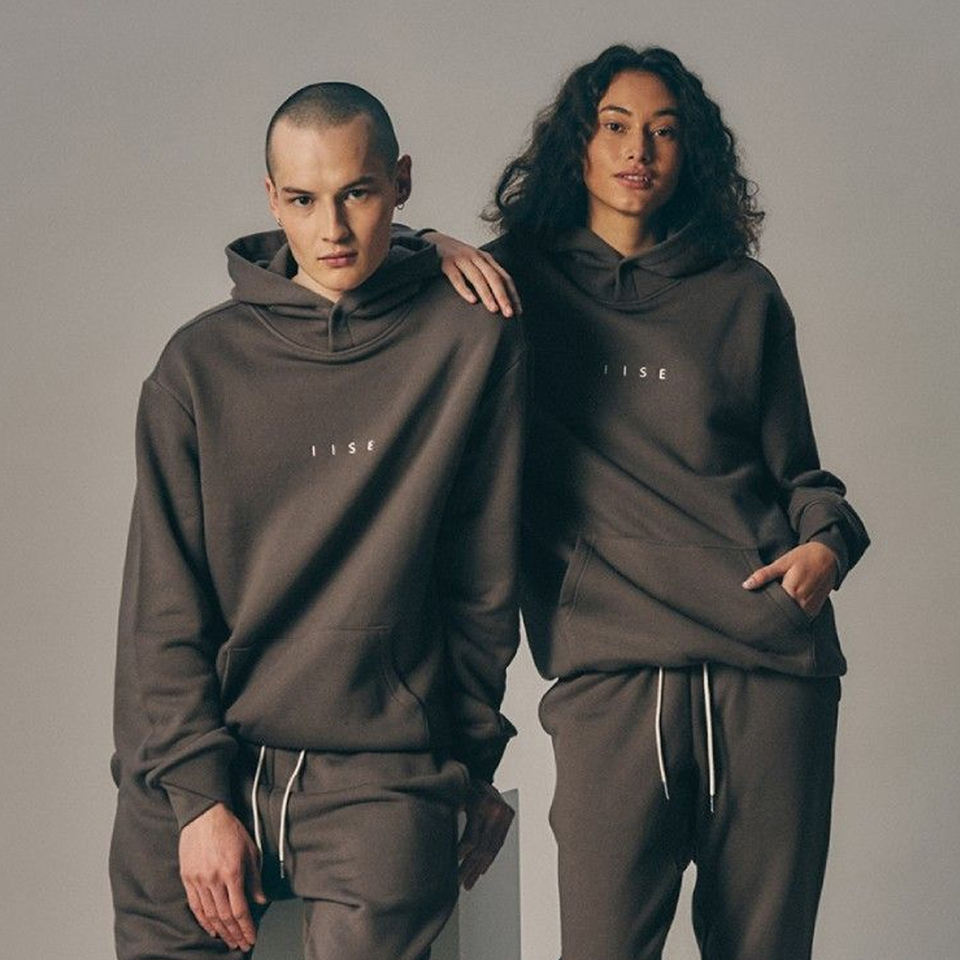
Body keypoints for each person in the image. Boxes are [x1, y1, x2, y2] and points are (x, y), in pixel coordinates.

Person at [423, 44, 870, 960]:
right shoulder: (509, 288)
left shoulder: (742, 294)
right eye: (617, 126)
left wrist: (828, 543)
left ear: (689, 153)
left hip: (768, 673)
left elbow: (801, 476)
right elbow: (344, 259)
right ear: (579, 145)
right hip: (613, 680)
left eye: (665, 132)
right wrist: (422, 244)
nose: (640, 149)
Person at [109, 81, 523, 960]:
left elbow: (484, 579)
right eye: (302, 200)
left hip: (380, 770)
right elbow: (162, 608)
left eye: (358, 193)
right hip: (203, 754)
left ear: (401, 182)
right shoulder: (198, 365)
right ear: (270, 198)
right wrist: (197, 799)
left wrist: (470, 762)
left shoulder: (468, 339)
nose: (331, 228)